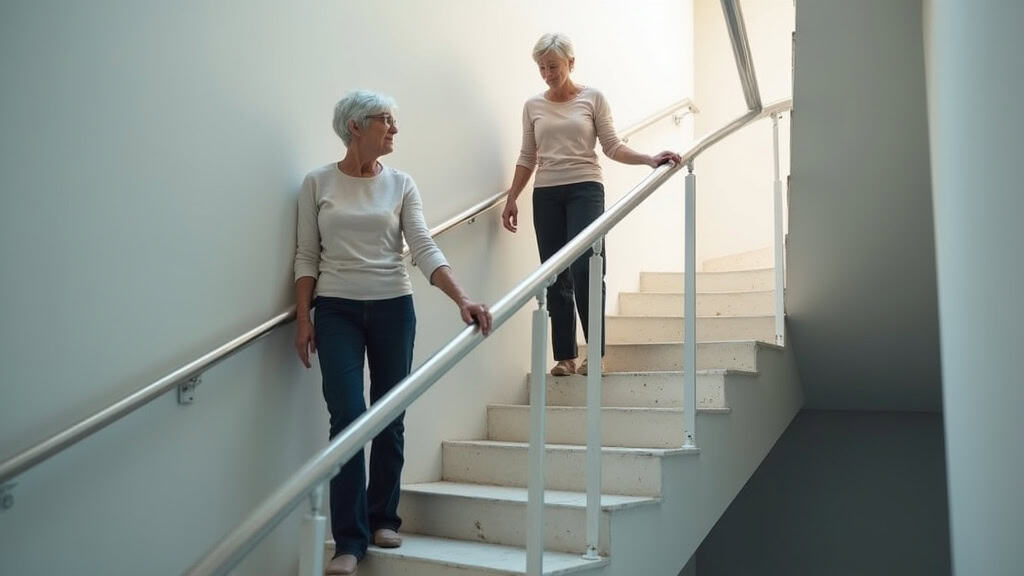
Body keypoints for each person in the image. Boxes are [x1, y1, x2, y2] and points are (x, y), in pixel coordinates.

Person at [293, 89, 493, 576]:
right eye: (386, 120)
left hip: (392, 306)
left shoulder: (401, 183)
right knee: (347, 417)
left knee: (389, 413)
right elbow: (306, 255)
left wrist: (462, 298)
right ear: (356, 126)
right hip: (336, 309)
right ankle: (348, 540)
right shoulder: (317, 183)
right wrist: (304, 317)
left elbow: (422, 246)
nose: (395, 129)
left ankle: (384, 516)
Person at [501, 33, 681, 377]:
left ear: (571, 62)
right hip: (547, 193)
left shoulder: (593, 98)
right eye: (541, 68)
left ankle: (595, 353)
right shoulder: (533, 106)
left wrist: (648, 159)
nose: (547, 73)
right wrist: (512, 197)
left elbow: (612, 146)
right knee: (554, 274)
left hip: (585, 189)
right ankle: (565, 357)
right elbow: (528, 156)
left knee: (586, 267)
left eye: (553, 66)